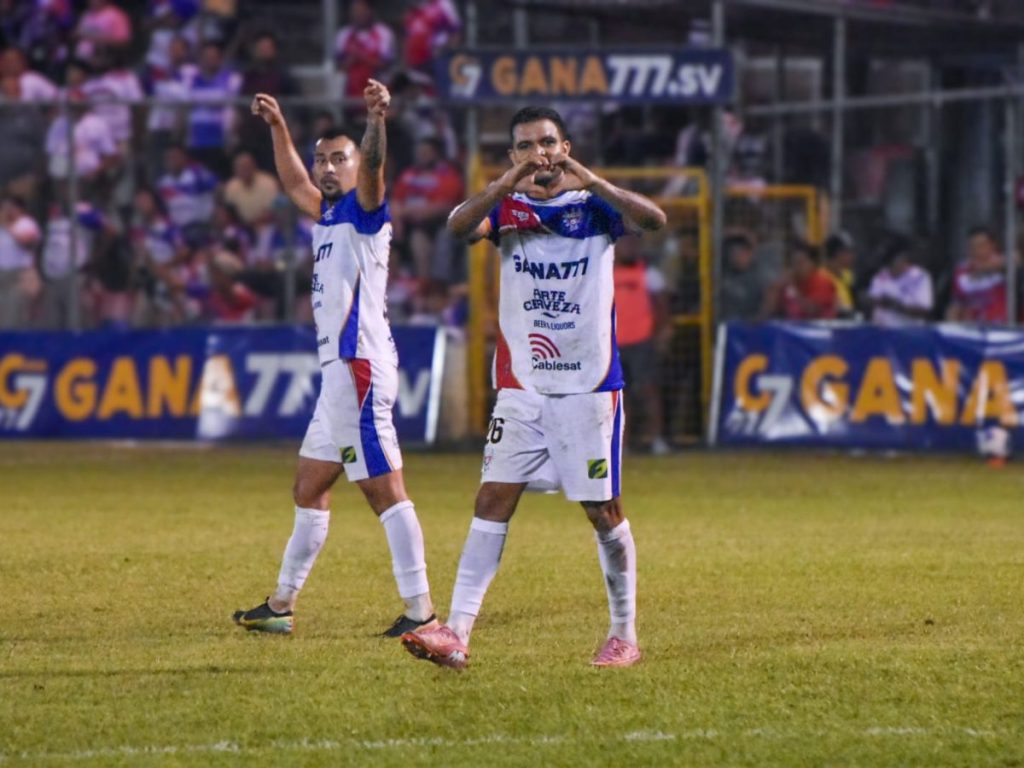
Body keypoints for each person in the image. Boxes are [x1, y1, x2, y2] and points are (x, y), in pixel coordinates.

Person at [401, 106, 666, 670]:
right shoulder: (506, 207)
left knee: (602, 510)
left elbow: (655, 220)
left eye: (547, 142)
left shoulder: (595, 206)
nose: (539, 153)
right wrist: (505, 184)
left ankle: (624, 635)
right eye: (525, 146)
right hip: (522, 386)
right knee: (492, 500)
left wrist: (590, 178)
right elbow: (457, 227)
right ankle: (457, 632)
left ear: (565, 147)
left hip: (587, 387)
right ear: (512, 155)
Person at [233, 82, 437, 638]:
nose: (326, 167)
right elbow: (294, 182)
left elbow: (374, 168)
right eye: (322, 158)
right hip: (339, 374)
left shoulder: (365, 210)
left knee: (385, 491)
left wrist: (375, 120)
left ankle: (421, 611)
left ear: (355, 165)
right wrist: (278, 126)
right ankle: (281, 604)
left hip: (358, 365)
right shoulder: (327, 215)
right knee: (309, 487)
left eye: (337, 159)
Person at [612, 232, 671, 455]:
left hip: (642, 341)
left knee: (648, 391)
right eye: (626, 243)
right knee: (619, 396)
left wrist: (662, 333)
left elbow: (662, 306)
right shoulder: (604, 273)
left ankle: (656, 439)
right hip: (612, 344)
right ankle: (623, 443)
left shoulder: (649, 274)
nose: (630, 247)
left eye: (633, 243)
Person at [864, 234, 933, 327]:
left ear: (904, 259)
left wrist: (897, 306)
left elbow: (924, 310)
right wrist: (873, 301)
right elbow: (873, 299)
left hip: (909, 331)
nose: (891, 267)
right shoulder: (881, 275)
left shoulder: (919, 277)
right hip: (882, 331)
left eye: (895, 262)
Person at [946, 226, 1007, 324]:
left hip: (999, 326)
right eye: (972, 246)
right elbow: (956, 303)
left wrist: (985, 268)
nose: (976, 250)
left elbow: (1017, 259)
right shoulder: (962, 271)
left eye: (981, 245)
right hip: (971, 326)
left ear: (992, 245)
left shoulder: (1004, 265)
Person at [769, 240, 837, 321]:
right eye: (793, 263)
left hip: (819, 326)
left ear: (812, 264)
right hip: (792, 326)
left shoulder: (822, 282)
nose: (797, 267)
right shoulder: (789, 282)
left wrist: (793, 289)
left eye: (801, 262)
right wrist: (776, 288)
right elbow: (770, 311)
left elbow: (811, 310)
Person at [823, 231, 856, 318]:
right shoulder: (823, 278)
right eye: (848, 252)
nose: (852, 256)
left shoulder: (847, 275)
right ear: (838, 253)